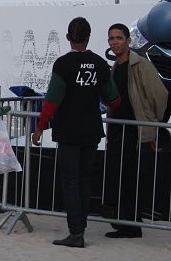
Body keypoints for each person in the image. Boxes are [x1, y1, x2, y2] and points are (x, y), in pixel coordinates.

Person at [31, 17, 120, 248]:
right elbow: (114, 99)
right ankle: (81, 228)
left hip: (69, 131)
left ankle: (76, 232)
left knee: (71, 182)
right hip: (92, 130)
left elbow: (52, 101)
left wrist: (40, 127)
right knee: (85, 180)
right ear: (89, 37)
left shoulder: (63, 64)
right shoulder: (100, 64)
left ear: (68, 37)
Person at [103, 23, 168, 238]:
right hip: (118, 129)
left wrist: (152, 124)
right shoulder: (115, 66)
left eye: (119, 38)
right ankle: (127, 222)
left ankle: (130, 225)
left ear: (128, 40)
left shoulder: (141, 65)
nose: (115, 42)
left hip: (134, 130)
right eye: (111, 38)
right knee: (120, 175)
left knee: (130, 177)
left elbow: (159, 96)